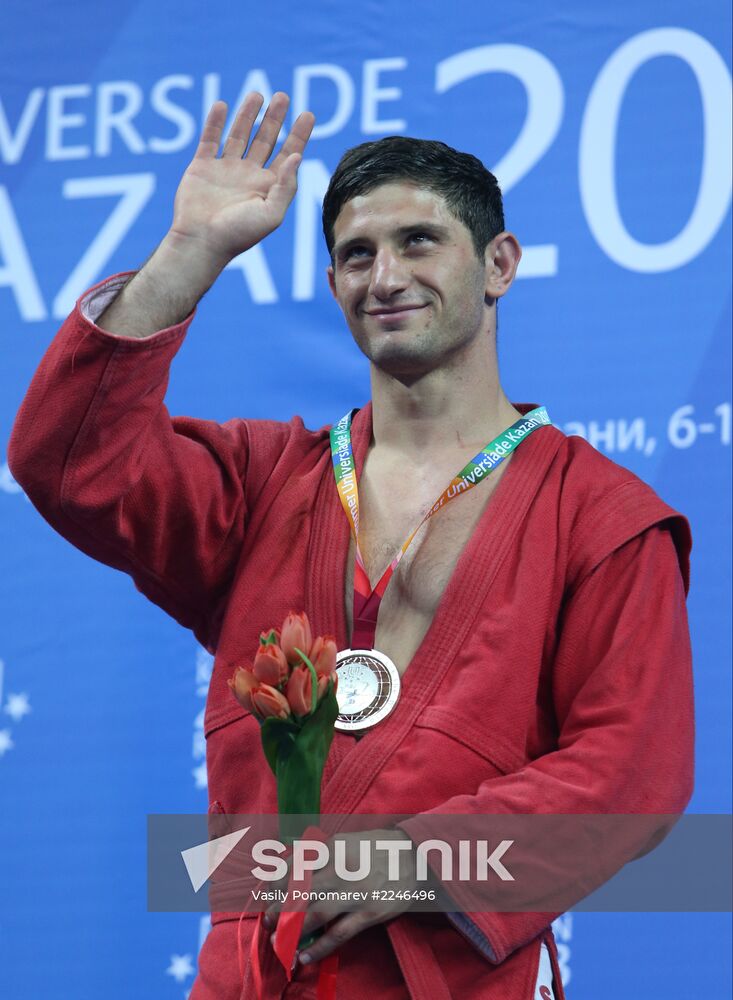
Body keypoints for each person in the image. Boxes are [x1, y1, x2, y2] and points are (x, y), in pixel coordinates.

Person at [8, 92, 694, 1000]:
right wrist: (189, 254)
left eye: (419, 241)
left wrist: (419, 859)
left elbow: (632, 770)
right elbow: (68, 461)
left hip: (452, 974)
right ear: (332, 285)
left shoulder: (599, 511)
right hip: (252, 976)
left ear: (499, 265)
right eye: (355, 254)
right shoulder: (261, 486)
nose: (384, 276)